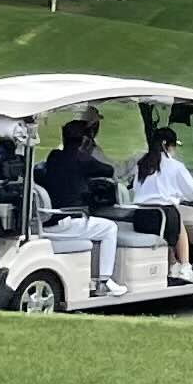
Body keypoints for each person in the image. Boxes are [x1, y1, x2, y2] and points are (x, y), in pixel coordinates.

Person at [37, 117, 121, 294]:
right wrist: (89, 151)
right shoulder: (83, 159)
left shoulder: (54, 156)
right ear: (85, 140)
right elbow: (109, 170)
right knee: (110, 228)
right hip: (69, 222)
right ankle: (104, 281)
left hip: (50, 219)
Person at [129, 123, 193, 275]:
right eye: (174, 146)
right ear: (167, 145)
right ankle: (185, 266)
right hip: (162, 217)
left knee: (170, 219)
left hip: (140, 217)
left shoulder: (142, 164)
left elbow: (136, 189)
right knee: (177, 220)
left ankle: (173, 264)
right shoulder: (175, 166)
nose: (174, 150)